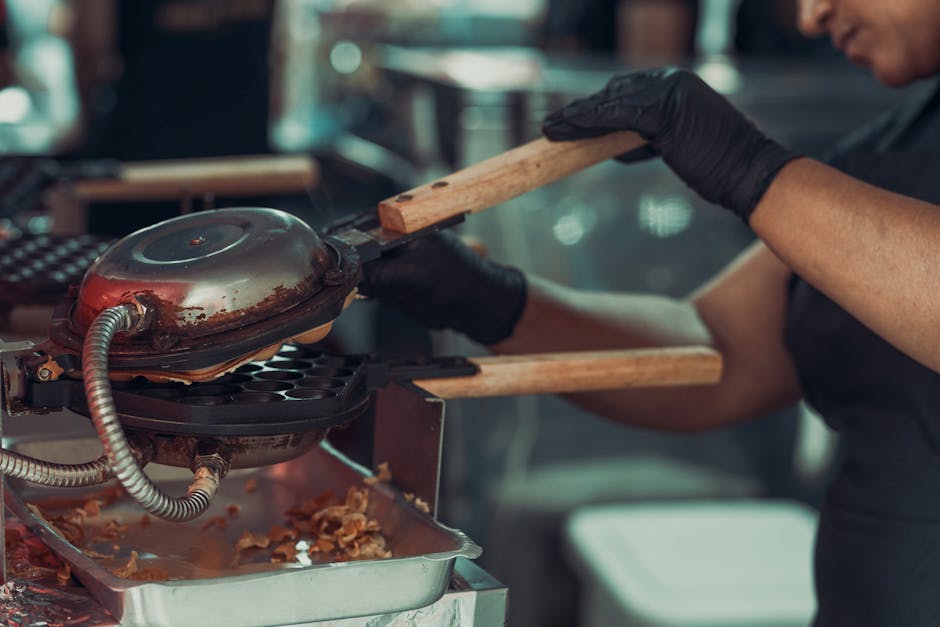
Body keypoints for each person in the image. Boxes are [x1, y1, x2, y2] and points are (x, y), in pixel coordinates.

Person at [361, 0, 940, 624]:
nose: (810, 17)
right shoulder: (894, 148)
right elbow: (720, 350)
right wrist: (487, 298)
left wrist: (749, 168)